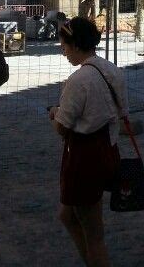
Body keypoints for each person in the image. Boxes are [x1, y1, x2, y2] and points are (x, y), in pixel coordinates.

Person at [49, 17, 127, 267]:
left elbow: (62, 128)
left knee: (94, 233)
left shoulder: (79, 80)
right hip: (108, 151)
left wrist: (54, 113)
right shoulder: (112, 70)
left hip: (85, 160)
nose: (64, 53)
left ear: (75, 45)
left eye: (64, 47)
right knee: (67, 214)